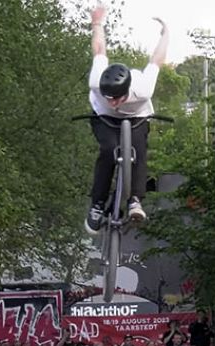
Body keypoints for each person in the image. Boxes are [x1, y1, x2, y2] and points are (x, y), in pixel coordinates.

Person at [84, 3, 169, 234]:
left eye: (116, 99)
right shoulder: (96, 81)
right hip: (103, 118)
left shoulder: (143, 87)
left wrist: (166, 34)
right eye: (108, 97)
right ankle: (98, 205)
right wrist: (97, 23)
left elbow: (157, 60)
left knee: (139, 151)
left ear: (127, 91)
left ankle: (134, 201)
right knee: (109, 149)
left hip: (138, 117)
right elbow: (100, 49)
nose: (112, 102)